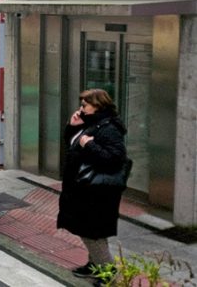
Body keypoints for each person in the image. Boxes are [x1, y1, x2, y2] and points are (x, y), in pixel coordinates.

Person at [57, 89, 127, 279]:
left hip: (97, 192)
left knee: (92, 233)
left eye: (84, 105)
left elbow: (115, 158)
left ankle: (108, 273)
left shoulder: (109, 128)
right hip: (83, 188)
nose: (81, 109)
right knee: (90, 230)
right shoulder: (90, 123)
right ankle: (94, 264)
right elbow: (72, 145)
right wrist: (72, 127)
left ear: (98, 106)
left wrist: (89, 144)